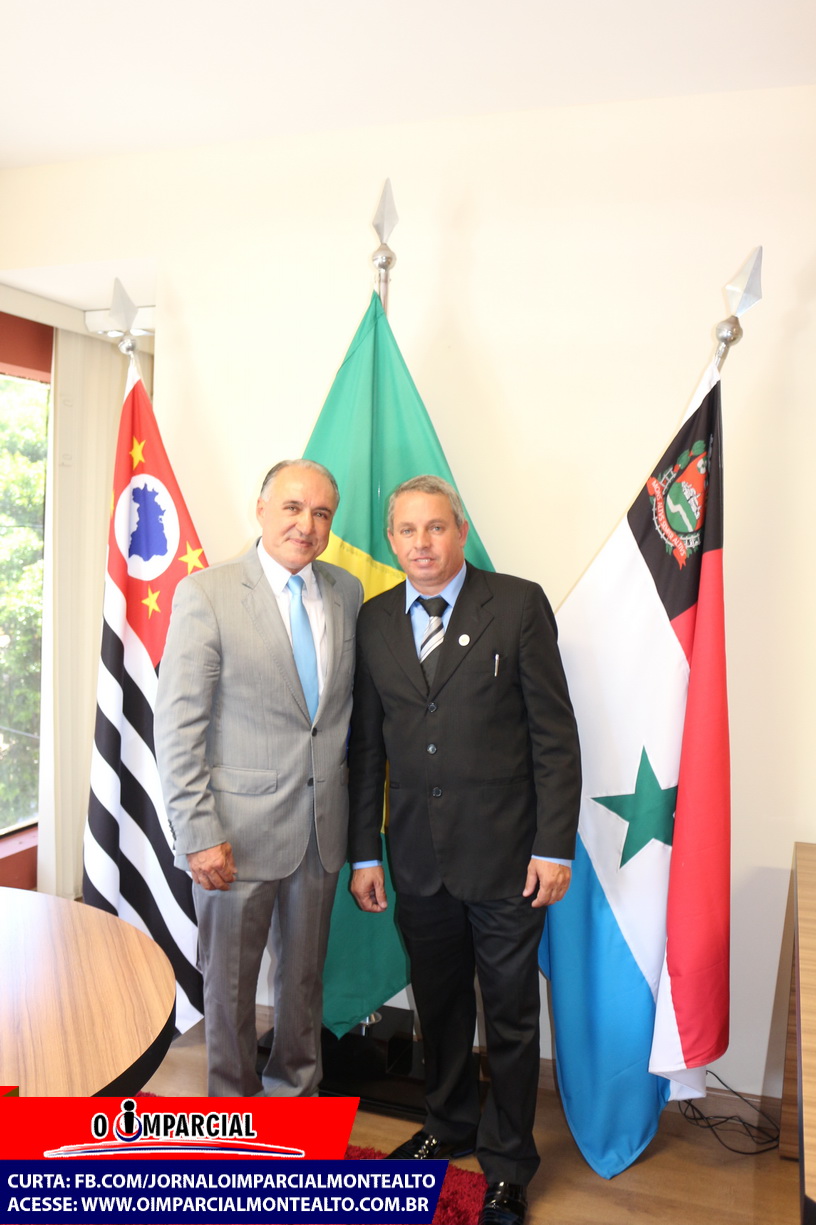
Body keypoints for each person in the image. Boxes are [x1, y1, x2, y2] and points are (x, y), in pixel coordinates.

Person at [348, 474, 581, 1225]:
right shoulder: (374, 619)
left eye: (436, 527)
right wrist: (364, 853)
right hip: (417, 861)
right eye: (407, 530)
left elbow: (554, 737)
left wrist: (554, 846)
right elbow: (367, 749)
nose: (422, 543)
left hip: (509, 861)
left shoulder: (516, 604)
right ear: (392, 540)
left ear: (461, 530)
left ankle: (508, 1163)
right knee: (440, 1007)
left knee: (509, 1016)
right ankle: (448, 1125)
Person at [155, 459, 362, 1096]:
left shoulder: (348, 592)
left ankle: (296, 1107)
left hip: (320, 832)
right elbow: (179, 726)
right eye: (293, 508)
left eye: (321, 513)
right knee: (230, 990)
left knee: (303, 985)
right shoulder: (207, 593)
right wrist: (198, 833)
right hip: (233, 838)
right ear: (262, 509)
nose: (306, 525)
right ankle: (232, 1118)